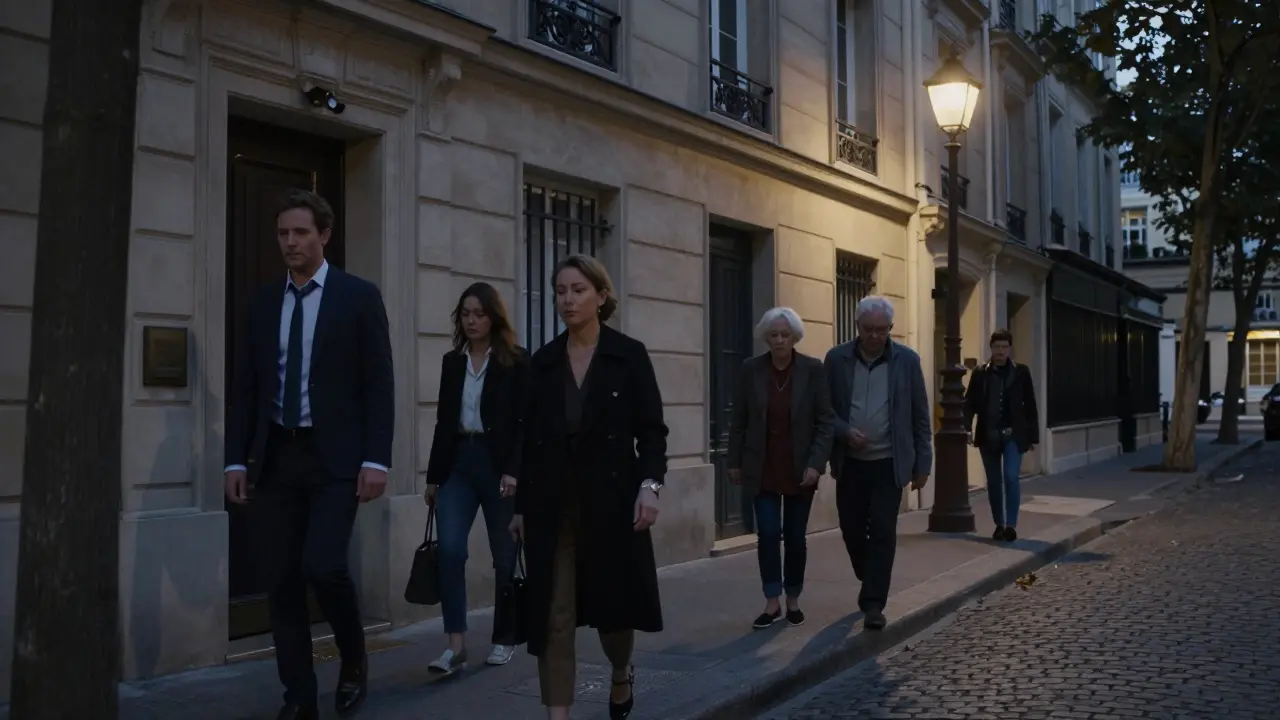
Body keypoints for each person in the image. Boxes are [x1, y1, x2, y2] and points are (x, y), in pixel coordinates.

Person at [224, 188, 393, 720]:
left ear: (324, 235)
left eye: (300, 232)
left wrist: (377, 459)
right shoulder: (262, 302)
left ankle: (353, 657)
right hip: (276, 457)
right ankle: (298, 697)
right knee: (281, 580)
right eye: (282, 233)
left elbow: (379, 385)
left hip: (335, 460)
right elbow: (247, 387)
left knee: (323, 565)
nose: (290, 242)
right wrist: (235, 459)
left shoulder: (357, 297)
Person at [509, 254, 668, 720]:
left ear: (601, 296)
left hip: (613, 505)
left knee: (613, 614)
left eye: (578, 290)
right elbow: (529, 442)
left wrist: (650, 486)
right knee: (553, 616)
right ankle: (558, 713)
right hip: (551, 508)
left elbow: (652, 432)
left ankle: (621, 672)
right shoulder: (542, 364)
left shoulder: (628, 355)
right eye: (560, 290)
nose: (567, 300)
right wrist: (520, 506)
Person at [423, 282, 529, 673]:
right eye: (465, 314)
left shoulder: (516, 361)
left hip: (498, 464)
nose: (471, 320)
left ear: (493, 318)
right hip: (458, 464)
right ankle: (456, 645)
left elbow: (523, 424)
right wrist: (433, 478)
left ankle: (504, 637)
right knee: (449, 550)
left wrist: (514, 471)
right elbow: (442, 423)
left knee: (505, 556)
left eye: (479, 314)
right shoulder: (453, 363)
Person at [823, 295, 931, 632]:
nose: (874, 336)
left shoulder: (907, 362)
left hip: (889, 463)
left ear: (890, 330)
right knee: (852, 530)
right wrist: (843, 431)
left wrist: (922, 463)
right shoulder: (837, 359)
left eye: (881, 330)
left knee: (883, 531)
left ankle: (873, 604)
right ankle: (870, 573)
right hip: (851, 463)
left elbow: (919, 415)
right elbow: (823, 410)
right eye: (868, 329)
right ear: (858, 327)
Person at [726, 307, 834, 630]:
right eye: (773, 335)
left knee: (796, 538)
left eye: (785, 335)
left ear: (795, 337)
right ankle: (772, 601)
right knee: (769, 534)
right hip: (763, 466)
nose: (779, 340)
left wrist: (817, 463)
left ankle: (793, 599)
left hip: (800, 468)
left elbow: (825, 422)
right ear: (766, 337)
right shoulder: (751, 370)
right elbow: (739, 419)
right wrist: (734, 461)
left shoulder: (812, 370)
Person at [964, 329, 1039, 542]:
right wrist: (967, 427)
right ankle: (999, 524)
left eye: (1004, 347)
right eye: (997, 347)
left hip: (1013, 435)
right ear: (991, 348)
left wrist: (1032, 436)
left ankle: (1011, 525)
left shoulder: (1021, 372)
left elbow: (1030, 405)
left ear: (1010, 349)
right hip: (988, 435)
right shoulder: (980, 373)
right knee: (994, 482)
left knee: (1011, 478)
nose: (1000, 351)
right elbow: (969, 403)